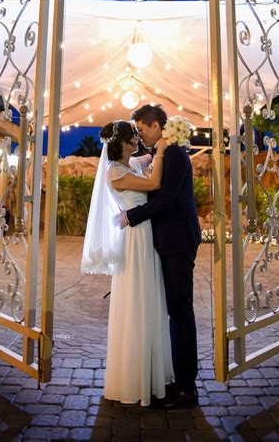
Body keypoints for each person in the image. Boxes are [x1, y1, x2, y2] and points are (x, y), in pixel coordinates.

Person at [81, 120, 174, 407]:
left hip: (144, 235)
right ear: (122, 143)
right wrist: (162, 150)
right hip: (135, 240)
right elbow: (154, 183)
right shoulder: (115, 172)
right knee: (138, 299)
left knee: (150, 298)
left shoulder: (131, 162)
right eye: (133, 135)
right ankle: (134, 377)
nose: (137, 138)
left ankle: (150, 370)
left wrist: (162, 143)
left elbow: (146, 159)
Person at [115, 104, 201, 408]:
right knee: (175, 311)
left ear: (154, 125)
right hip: (170, 240)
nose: (140, 134)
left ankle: (187, 386)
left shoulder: (175, 153)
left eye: (141, 129)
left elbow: (165, 199)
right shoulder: (166, 152)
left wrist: (132, 216)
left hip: (178, 241)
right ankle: (178, 379)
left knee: (181, 311)